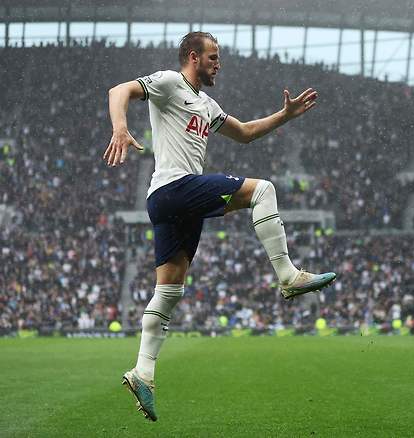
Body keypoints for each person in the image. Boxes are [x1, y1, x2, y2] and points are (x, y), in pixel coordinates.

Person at [103, 31, 336, 421]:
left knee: (170, 290)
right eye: (213, 56)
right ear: (192, 57)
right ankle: (287, 275)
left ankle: (143, 372)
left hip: (172, 204)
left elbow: (243, 133)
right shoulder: (168, 82)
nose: (218, 63)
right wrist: (120, 127)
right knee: (263, 190)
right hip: (174, 187)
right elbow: (118, 90)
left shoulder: (207, 105)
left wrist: (286, 115)